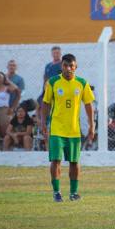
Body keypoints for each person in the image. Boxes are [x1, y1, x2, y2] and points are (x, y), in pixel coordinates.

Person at [41, 53, 95, 202]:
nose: (69, 68)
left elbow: (89, 105)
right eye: (65, 65)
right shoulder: (52, 82)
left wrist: (92, 125)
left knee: (74, 162)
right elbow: (45, 103)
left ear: (76, 66)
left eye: (71, 65)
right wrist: (43, 123)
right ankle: (57, 192)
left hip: (74, 131)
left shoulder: (82, 83)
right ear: (61, 66)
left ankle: (73, 193)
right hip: (57, 129)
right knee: (56, 161)